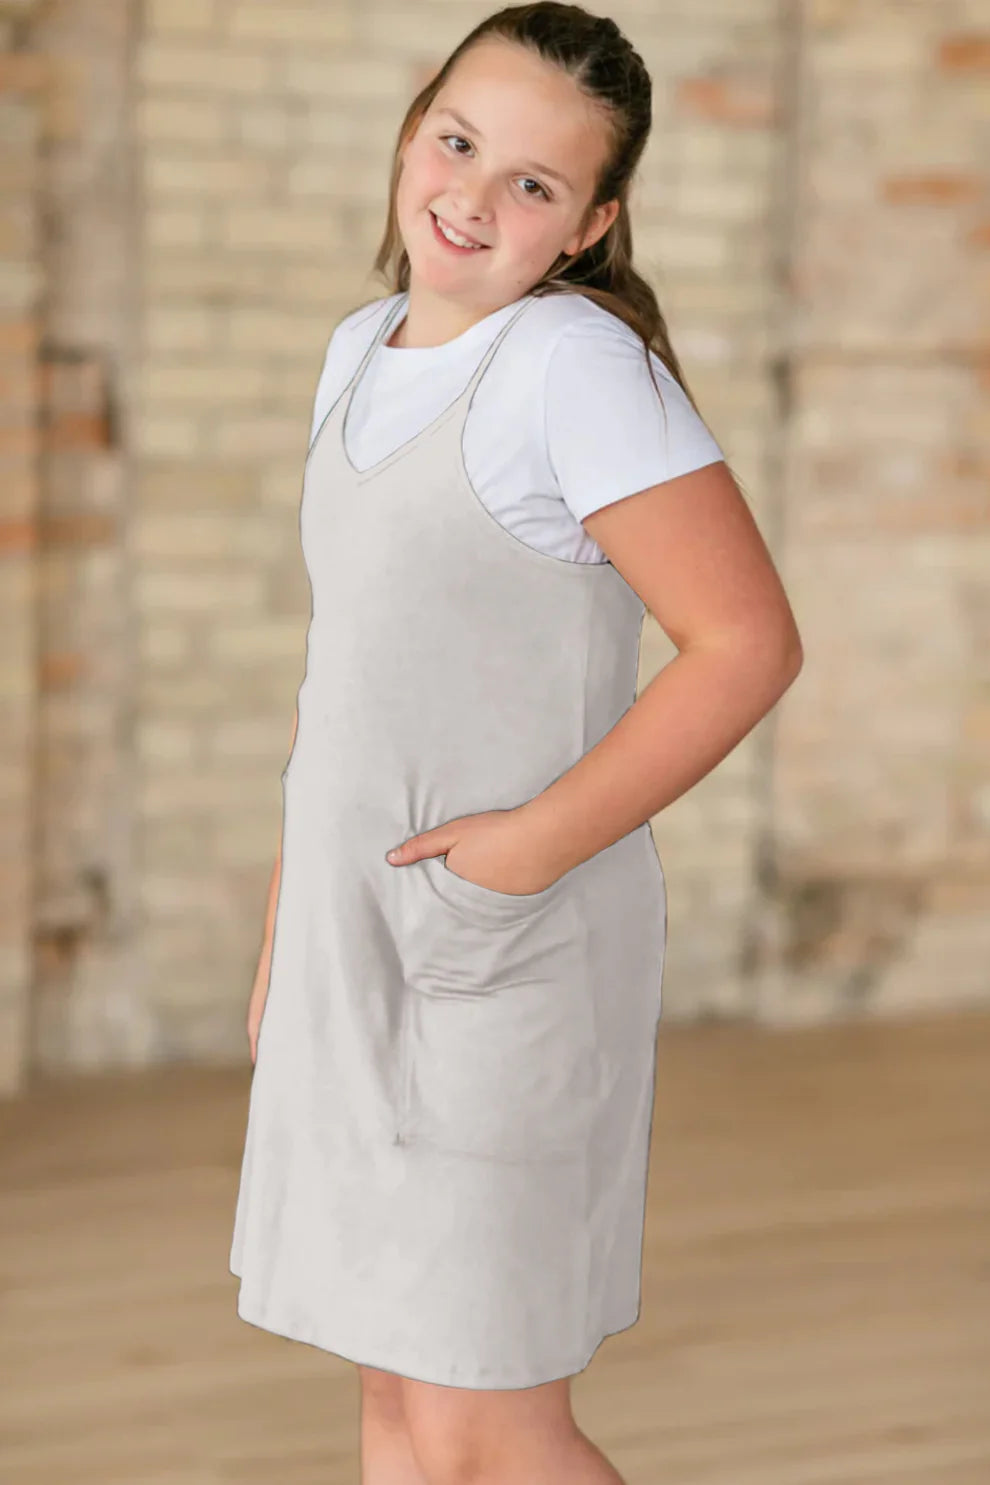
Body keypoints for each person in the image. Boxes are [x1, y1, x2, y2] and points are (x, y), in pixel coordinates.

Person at [230, 3, 803, 1481]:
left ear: (590, 225)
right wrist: (291, 933)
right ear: (411, 128)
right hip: (355, 941)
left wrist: (521, 855)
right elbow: (345, 677)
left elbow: (745, 644)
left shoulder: (571, 366)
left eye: (532, 183)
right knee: (396, 1399)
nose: (472, 197)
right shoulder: (358, 351)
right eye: (456, 141)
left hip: (500, 949)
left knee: (485, 1425)